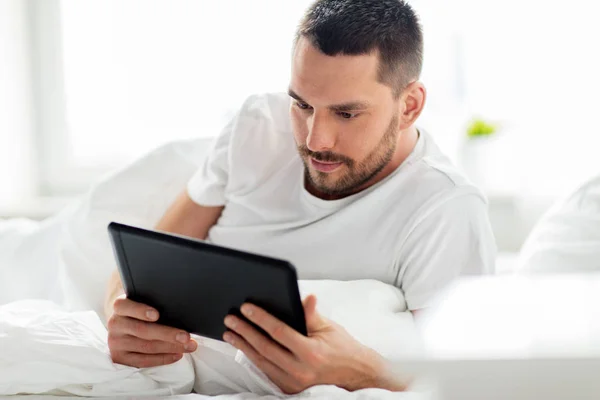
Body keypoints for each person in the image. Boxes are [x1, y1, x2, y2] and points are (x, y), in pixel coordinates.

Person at [104, 0, 496, 393]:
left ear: (409, 106)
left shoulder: (445, 209)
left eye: (346, 114)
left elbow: (470, 385)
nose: (315, 140)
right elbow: (138, 264)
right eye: (302, 104)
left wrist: (365, 374)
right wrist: (121, 315)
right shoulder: (256, 128)